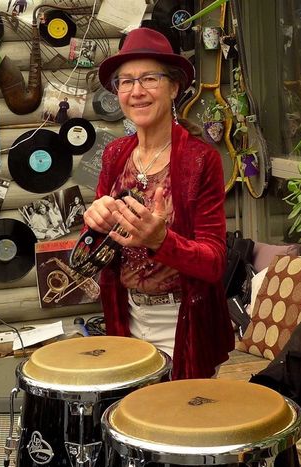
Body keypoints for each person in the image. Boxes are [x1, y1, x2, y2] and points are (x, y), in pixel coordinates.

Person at [83, 27, 234, 380]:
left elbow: (214, 263)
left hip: (183, 325)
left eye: (149, 78)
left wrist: (160, 240)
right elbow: (96, 252)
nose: (136, 91)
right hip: (126, 319)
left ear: (174, 87)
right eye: (126, 81)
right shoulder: (115, 154)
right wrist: (93, 225)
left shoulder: (200, 160)